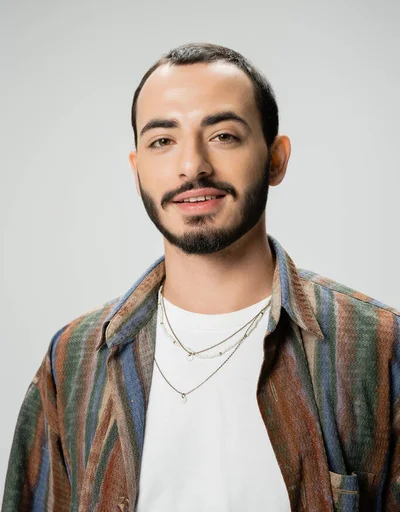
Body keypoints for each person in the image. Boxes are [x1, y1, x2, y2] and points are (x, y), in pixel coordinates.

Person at [2, 42, 399, 512]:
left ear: (276, 159)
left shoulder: (378, 347)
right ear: (138, 171)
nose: (192, 165)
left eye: (224, 136)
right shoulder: (74, 359)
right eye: (162, 141)